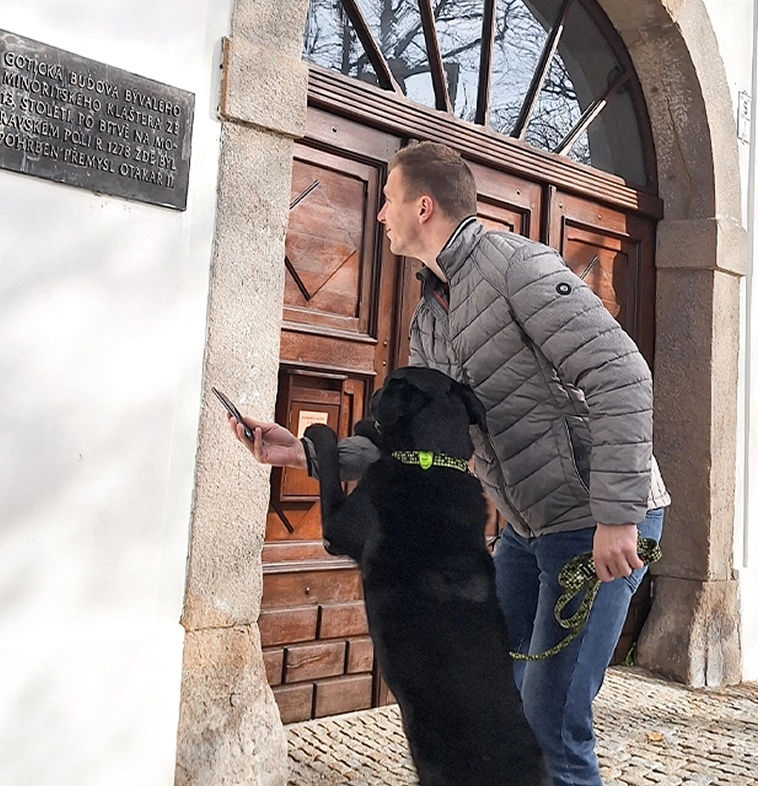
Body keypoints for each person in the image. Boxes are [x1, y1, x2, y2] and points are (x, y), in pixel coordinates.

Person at [232, 141, 670, 786]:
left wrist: (616, 515)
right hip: (524, 535)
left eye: (387, 200)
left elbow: (620, 374)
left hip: (592, 530)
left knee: (552, 721)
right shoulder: (429, 314)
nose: (380, 214)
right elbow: (418, 446)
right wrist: (301, 452)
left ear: (424, 205)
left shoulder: (517, 267)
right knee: (503, 717)